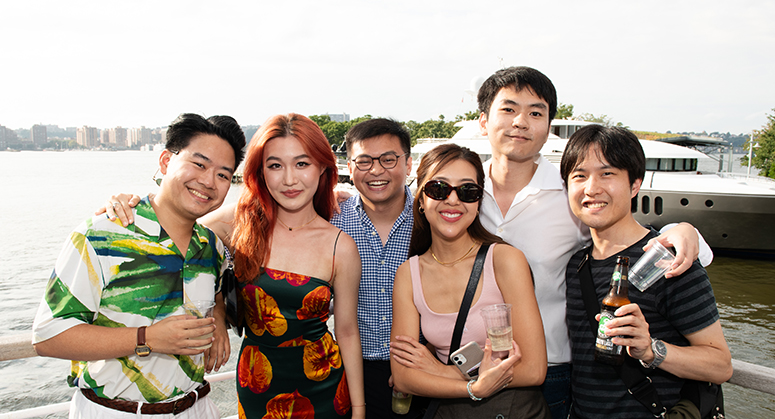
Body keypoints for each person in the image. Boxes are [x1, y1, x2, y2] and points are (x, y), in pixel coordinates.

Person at [102, 118, 412, 419]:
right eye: (275, 165)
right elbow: (178, 227)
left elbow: (346, 331)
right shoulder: (240, 223)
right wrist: (131, 203)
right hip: (257, 383)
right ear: (260, 173)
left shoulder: (339, 242)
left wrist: (358, 410)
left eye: (302, 164)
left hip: (326, 385)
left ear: (322, 167)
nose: (289, 179)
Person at [476, 66, 708, 418]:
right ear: (483, 121)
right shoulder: (459, 191)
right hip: (469, 360)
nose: (521, 121)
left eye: (535, 112)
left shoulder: (572, 192)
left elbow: (623, 231)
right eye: (508, 109)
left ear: (548, 127)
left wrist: (683, 231)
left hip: (552, 370)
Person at [32, 113, 246, 418]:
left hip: (196, 406)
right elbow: (48, 335)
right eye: (199, 164)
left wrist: (219, 319)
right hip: (116, 411)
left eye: (224, 175)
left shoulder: (210, 246)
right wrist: (146, 338)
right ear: (165, 162)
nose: (209, 181)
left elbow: (215, 293)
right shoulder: (103, 234)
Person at [560, 124, 732, 417]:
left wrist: (651, 350)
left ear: (635, 184)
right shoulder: (577, 264)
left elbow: (720, 365)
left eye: (607, 174)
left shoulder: (669, 260)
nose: (591, 188)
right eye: (579, 176)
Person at [390, 143, 551, 418]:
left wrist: (443, 372)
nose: (453, 200)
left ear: (478, 202)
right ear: (420, 199)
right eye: (438, 189)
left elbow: (534, 370)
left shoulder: (504, 260)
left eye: (467, 191)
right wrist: (474, 387)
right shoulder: (409, 273)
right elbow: (405, 378)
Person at [330, 118, 420, 419]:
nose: (377, 170)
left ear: (408, 164)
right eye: (365, 161)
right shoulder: (331, 221)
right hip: (350, 371)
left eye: (389, 159)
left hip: (420, 371)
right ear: (349, 166)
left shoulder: (431, 219)